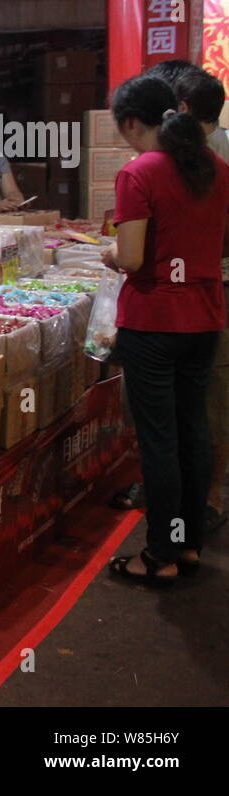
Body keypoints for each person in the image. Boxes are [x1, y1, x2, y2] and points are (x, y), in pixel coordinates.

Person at [103, 75, 229, 586]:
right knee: (192, 430)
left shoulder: (139, 173)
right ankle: (189, 542)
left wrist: (109, 254)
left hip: (154, 323)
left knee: (159, 442)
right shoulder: (216, 168)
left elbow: (131, 257)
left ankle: (160, 555)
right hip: (204, 318)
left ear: (133, 123)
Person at [172, 68, 229, 532]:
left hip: (215, 290)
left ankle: (208, 497)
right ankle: (179, 491)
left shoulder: (214, 158)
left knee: (211, 397)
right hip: (190, 291)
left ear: (185, 109)